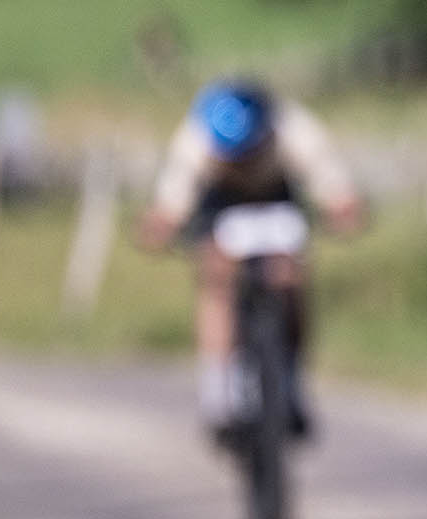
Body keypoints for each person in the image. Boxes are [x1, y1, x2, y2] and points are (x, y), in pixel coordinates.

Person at [137, 79, 365, 446]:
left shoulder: (294, 129)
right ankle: (218, 395)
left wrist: (342, 206)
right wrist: (161, 225)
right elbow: (172, 199)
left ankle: (291, 384)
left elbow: (330, 180)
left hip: (277, 198)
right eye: (231, 157)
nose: (240, 163)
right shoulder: (194, 139)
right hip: (221, 204)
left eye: (247, 153)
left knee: (291, 276)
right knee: (216, 280)